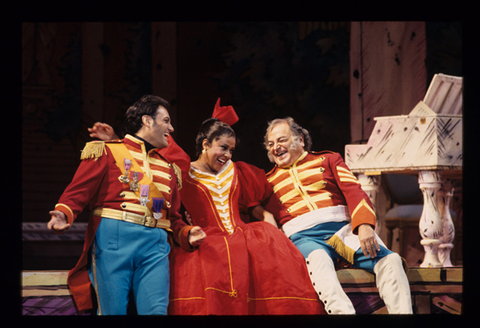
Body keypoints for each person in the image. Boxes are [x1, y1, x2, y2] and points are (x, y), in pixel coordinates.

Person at [89, 100, 326, 315]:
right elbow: (145, 168)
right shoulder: (182, 172)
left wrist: (269, 223)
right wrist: (113, 142)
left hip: (244, 238)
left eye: (231, 149)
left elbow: (258, 203)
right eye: (223, 147)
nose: (227, 154)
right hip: (204, 241)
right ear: (205, 144)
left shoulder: (240, 171)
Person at [47, 95, 206, 315]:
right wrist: (63, 214)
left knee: (156, 312)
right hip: (115, 238)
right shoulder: (107, 151)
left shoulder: (169, 168)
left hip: (156, 243)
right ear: (147, 121)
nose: (171, 127)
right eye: (166, 121)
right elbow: (79, 190)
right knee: (113, 311)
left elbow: (173, 217)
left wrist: (187, 233)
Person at [263, 117, 413, 314]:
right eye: (271, 144)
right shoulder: (267, 181)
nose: (275, 147)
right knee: (318, 259)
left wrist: (364, 225)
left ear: (300, 139)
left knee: (391, 261)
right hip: (303, 238)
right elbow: (250, 206)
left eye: (281, 140)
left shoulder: (329, 160)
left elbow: (354, 190)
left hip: (343, 231)